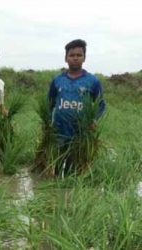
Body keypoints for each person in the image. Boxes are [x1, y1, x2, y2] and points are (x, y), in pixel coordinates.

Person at [48, 39, 105, 177]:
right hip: (59, 132)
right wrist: (48, 121)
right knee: (57, 167)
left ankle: (71, 193)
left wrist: (94, 121)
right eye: (72, 55)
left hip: (80, 133)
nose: (75, 58)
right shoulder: (57, 80)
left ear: (84, 58)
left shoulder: (92, 81)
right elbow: (49, 102)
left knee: (75, 170)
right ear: (66, 58)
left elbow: (100, 104)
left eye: (79, 55)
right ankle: (57, 192)